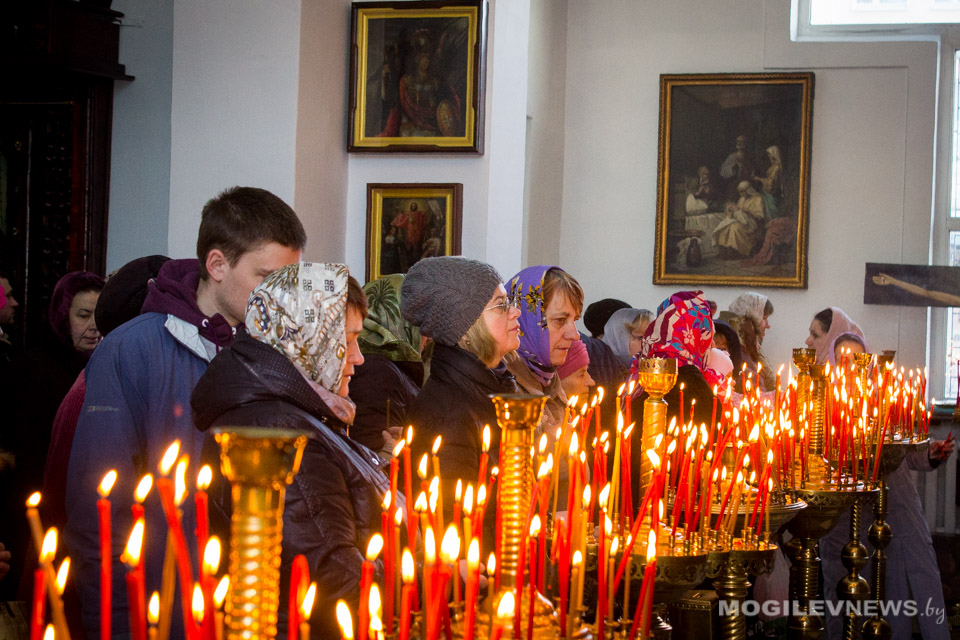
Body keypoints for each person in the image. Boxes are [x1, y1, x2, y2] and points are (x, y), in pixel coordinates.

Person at [64, 186, 306, 637]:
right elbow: (98, 512)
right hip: (163, 611)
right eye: (267, 277)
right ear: (217, 265)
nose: (280, 297)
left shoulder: (273, 351)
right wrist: (117, 626)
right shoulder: (133, 350)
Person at [192, 262, 381, 638]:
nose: (358, 358)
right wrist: (438, 577)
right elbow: (331, 572)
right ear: (307, 338)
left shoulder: (299, 413)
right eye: (347, 340)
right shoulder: (280, 433)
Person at [808, 311, 954, 640]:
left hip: (894, 509)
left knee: (897, 586)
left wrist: (930, 453)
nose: (850, 367)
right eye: (843, 360)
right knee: (845, 593)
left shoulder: (882, 401)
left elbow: (905, 448)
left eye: (857, 360)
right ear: (832, 359)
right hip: (844, 516)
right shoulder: (821, 405)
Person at [403, 256, 520, 553]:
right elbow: (456, 530)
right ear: (465, 326)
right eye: (501, 305)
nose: (516, 312)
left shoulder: (492, 386)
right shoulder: (446, 411)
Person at [506, 265, 584, 506]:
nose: (574, 334)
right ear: (526, 320)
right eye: (560, 320)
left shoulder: (550, 383)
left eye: (574, 320)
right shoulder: (508, 391)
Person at [628, 291, 723, 487]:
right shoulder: (695, 385)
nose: (711, 344)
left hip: (629, 492)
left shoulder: (642, 369)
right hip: (676, 499)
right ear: (698, 334)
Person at [349, 274, 424, 454]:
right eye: (420, 322)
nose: (427, 335)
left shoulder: (384, 366)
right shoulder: (377, 374)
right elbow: (377, 449)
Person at [719, 292, 775, 391]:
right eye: (764, 318)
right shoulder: (737, 350)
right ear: (753, 319)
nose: (768, 325)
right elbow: (754, 392)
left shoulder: (745, 347)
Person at [712, 181, 765, 258]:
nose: (741, 194)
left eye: (742, 191)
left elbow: (760, 217)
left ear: (748, 190)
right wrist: (731, 210)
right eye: (739, 192)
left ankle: (736, 252)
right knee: (726, 227)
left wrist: (748, 211)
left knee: (734, 227)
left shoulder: (757, 199)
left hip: (752, 225)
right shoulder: (741, 199)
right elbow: (738, 212)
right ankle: (725, 251)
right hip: (741, 221)